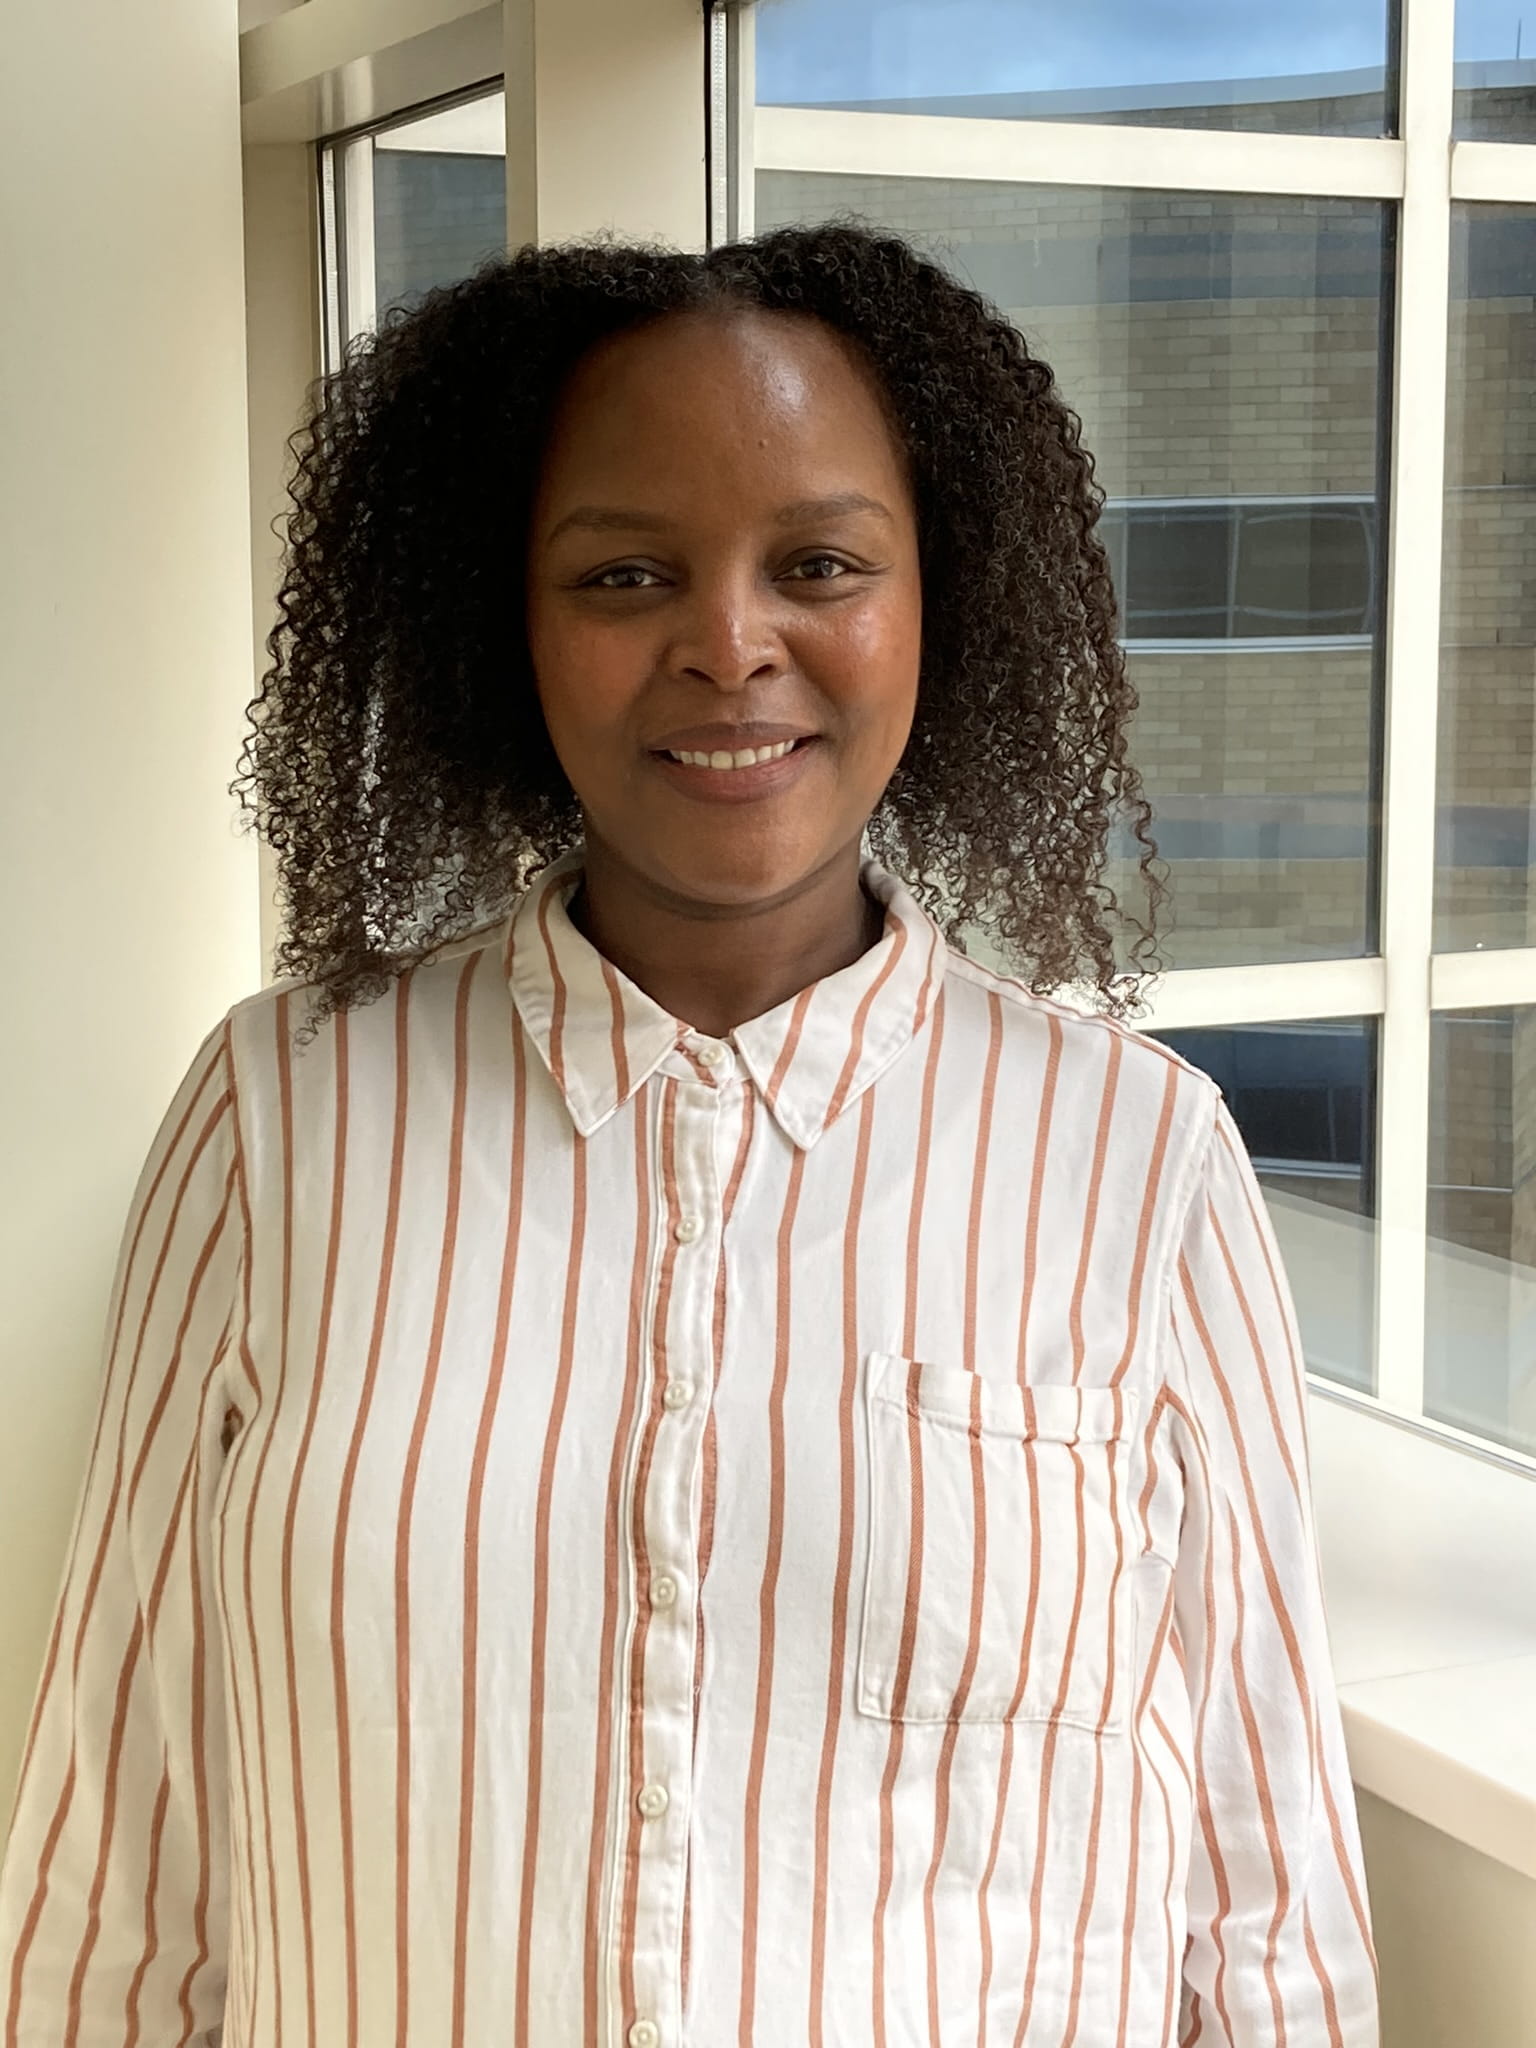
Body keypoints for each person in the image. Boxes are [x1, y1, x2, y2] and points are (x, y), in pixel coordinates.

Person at [0, 219, 1379, 2046]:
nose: (730, 647)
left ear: (935, 603)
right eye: (626, 573)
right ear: (505, 624)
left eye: (818, 560)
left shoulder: (1136, 1167)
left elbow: (1263, 1901)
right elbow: (120, 1851)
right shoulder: (279, 1120)